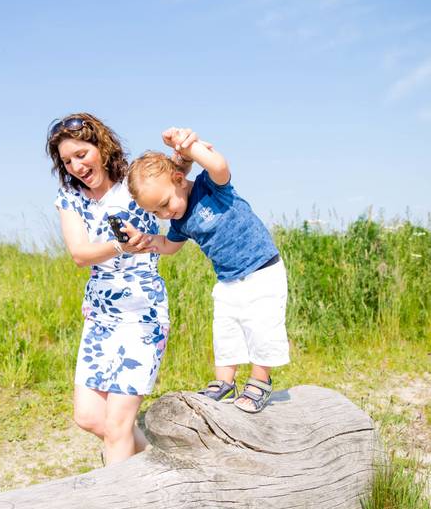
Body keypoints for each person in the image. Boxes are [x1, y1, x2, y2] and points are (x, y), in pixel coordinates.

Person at [125, 128, 288, 413]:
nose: (164, 215)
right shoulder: (179, 221)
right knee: (225, 329)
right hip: (228, 279)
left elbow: (219, 165)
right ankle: (224, 382)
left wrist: (190, 148)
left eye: (164, 204)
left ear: (178, 179)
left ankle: (260, 380)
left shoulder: (208, 186)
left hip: (262, 269)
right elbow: (170, 246)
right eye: (155, 213)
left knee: (261, 327)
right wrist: (146, 241)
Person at [46, 113, 169, 465]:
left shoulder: (134, 183)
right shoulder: (70, 199)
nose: (76, 166)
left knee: (118, 426)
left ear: (101, 146)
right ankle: (157, 465)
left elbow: (175, 183)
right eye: (67, 161)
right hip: (101, 316)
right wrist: (119, 247)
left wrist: (186, 153)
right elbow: (79, 254)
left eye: (82, 154)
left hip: (142, 313)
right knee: (89, 417)